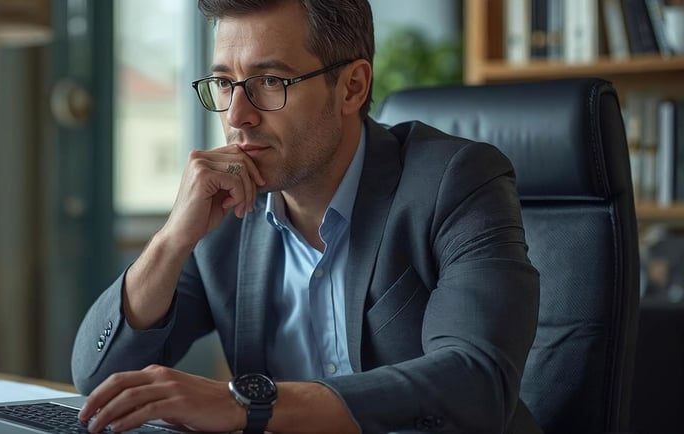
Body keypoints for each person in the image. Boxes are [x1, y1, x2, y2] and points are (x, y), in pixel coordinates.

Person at [72, 0, 541, 433]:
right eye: (224, 84)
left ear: (352, 87)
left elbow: (476, 379)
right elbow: (99, 379)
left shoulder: (455, 181)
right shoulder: (225, 210)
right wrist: (174, 237)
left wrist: (246, 404)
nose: (238, 116)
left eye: (269, 82)